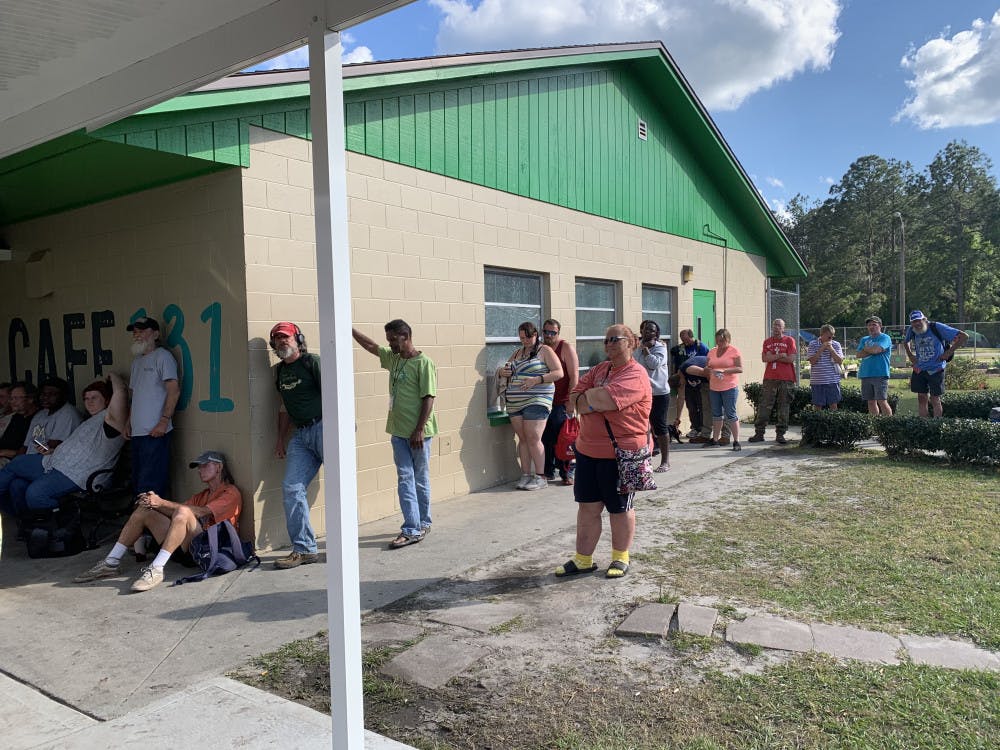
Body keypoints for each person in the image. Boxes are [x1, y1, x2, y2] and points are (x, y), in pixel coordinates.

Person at [73, 450, 242, 592]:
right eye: (198, 467)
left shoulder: (230, 492)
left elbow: (200, 512)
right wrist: (153, 503)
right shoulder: (202, 495)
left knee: (183, 511)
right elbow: (176, 515)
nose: (200, 470)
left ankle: (156, 569)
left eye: (205, 465)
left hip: (210, 552)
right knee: (146, 510)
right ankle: (111, 563)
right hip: (189, 550)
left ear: (219, 467)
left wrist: (161, 502)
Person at [556, 325, 650, 580]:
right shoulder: (600, 369)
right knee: (587, 507)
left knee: (619, 509)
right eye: (605, 339)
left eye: (614, 339)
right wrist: (590, 400)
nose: (607, 344)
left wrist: (592, 401)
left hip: (620, 454)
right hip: (587, 451)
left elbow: (605, 400)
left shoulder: (635, 374)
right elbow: (575, 397)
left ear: (631, 343)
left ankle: (620, 557)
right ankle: (583, 559)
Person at [353, 319, 439, 548]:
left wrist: (419, 429)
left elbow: (428, 397)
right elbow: (372, 347)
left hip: (418, 433)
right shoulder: (394, 359)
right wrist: (348, 328)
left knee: (418, 478)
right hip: (398, 432)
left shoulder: (424, 363)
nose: (389, 344)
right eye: (388, 339)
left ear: (406, 336)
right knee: (405, 477)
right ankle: (415, 525)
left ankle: (417, 526)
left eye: (393, 339)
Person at [0, 375, 126, 517]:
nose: (89, 402)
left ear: (108, 400)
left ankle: (65, 523)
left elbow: (120, 393)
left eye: (94, 398)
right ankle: (27, 524)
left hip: (79, 474)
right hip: (56, 462)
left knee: (35, 494)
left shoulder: (111, 422)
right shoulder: (90, 420)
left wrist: (113, 377)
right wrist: (53, 451)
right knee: (17, 476)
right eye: (86, 398)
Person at [271, 321, 323, 568]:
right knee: (291, 487)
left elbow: (335, 392)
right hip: (301, 435)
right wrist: (280, 438)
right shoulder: (279, 371)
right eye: (278, 338)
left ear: (298, 339)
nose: (282, 341)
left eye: (286, 337)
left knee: (340, 486)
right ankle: (304, 549)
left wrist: (341, 426)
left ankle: (345, 546)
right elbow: (284, 407)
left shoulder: (312, 362)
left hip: (325, 427)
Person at [496, 322, 563, 492]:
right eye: (521, 338)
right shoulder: (518, 353)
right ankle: (526, 474)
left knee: (533, 437)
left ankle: (541, 476)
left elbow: (558, 372)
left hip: (537, 398)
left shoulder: (544, 351)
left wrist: (537, 379)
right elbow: (506, 368)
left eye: (527, 337)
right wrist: (502, 372)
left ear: (535, 335)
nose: (524, 341)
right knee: (523, 438)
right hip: (515, 401)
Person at [127, 317, 180, 497]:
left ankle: (155, 524)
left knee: (151, 486)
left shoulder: (163, 356)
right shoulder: (136, 363)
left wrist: (164, 422)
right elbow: (135, 396)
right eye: (135, 331)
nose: (137, 335)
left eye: (142, 330)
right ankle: (142, 523)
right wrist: (128, 421)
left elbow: (173, 391)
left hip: (155, 433)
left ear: (155, 334)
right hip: (137, 433)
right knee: (138, 482)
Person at [903, 310, 968, 418]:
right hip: (919, 369)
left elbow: (964, 336)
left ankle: (936, 424)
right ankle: (923, 423)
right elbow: (906, 342)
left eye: (919, 320)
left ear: (924, 319)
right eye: (914, 321)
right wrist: (911, 356)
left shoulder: (937, 327)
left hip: (936, 369)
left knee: (935, 398)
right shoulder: (912, 329)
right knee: (921, 397)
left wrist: (948, 352)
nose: (917, 323)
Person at [540, 319, 579, 485]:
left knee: (562, 438)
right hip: (543, 401)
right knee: (545, 437)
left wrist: (570, 401)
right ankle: (548, 471)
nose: (549, 335)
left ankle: (566, 472)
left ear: (558, 333)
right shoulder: (540, 349)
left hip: (561, 401)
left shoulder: (565, 348)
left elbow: (574, 376)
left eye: (553, 332)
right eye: (546, 332)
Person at [749, 319, 797, 444]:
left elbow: (791, 358)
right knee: (764, 406)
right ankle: (759, 433)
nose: (776, 327)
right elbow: (765, 358)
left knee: (783, 406)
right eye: (774, 325)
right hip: (770, 378)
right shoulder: (767, 342)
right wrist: (781, 355)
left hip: (786, 379)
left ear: (783, 328)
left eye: (778, 325)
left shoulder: (789, 341)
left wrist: (773, 357)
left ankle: (780, 434)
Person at [634, 320, 670, 472]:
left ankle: (665, 461)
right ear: (641, 331)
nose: (649, 332)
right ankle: (644, 460)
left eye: (652, 330)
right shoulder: (636, 347)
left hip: (659, 393)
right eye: (646, 330)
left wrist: (646, 351)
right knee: (641, 426)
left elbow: (654, 365)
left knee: (659, 425)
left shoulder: (660, 347)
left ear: (657, 333)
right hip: (641, 393)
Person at [704, 329, 743, 451]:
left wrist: (724, 371)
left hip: (729, 387)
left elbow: (740, 368)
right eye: (717, 341)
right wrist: (708, 370)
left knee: (730, 414)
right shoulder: (712, 352)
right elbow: (707, 366)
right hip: (714, 387)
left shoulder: (734, 351)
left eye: (722, 341)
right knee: (716, 414)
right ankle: (715, 439)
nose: (719, 343)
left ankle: (736, 441)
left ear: (727, 340)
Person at [677, 355, 731, 444]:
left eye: (681, 385)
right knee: (706, 409)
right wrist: (678, 418)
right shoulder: (681, 377)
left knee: (721, 408)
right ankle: (705, 435)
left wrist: (717, 388)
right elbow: (681, 398)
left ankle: (725, 436)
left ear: (680, 380)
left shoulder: (688, 369)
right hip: (705, 383)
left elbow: (709, 373)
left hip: (718, 377)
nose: (682, 387)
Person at [24, 377, 83, 457]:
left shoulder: (68, 414)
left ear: (63, 396)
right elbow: (26, 445)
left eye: (51, 394)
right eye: (43, 394)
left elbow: (53, 445)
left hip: (47, 461)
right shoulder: (41, 414)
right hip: (30, 459)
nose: (45, 397)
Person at [857, 315, 893, 416]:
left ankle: (889, 424)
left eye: (874, 324)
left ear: (880, 326)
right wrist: (872, 350)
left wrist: (867, 349)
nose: (871, 327)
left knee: (882, 401)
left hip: (880, 374)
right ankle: (875, 423)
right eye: (869, 325)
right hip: (866, 374)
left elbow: (876, 350)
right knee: (871, 402)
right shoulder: (864, 339)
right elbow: (858, 355)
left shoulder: (885, 337)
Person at [0, 383, 39, 467]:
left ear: (30, 399)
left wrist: (3, 452)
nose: (12, 402)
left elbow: (31, 451)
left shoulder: (39, 419)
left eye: (16, 398)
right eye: (11, 398)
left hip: (17, 462)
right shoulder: (17, 417)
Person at [807, 324, 844, 410]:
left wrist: (831, 349)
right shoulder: (813, 344)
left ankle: (833, 422)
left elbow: (840, 361)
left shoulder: (836, 344)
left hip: (833, 380)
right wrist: (821, 349)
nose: (831, 338)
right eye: (828, 336)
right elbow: (812, 361)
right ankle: (817, 422)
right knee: (817, 405)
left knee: (833, 404)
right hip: (817, 381)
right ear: (822, 334)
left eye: (832, 336)